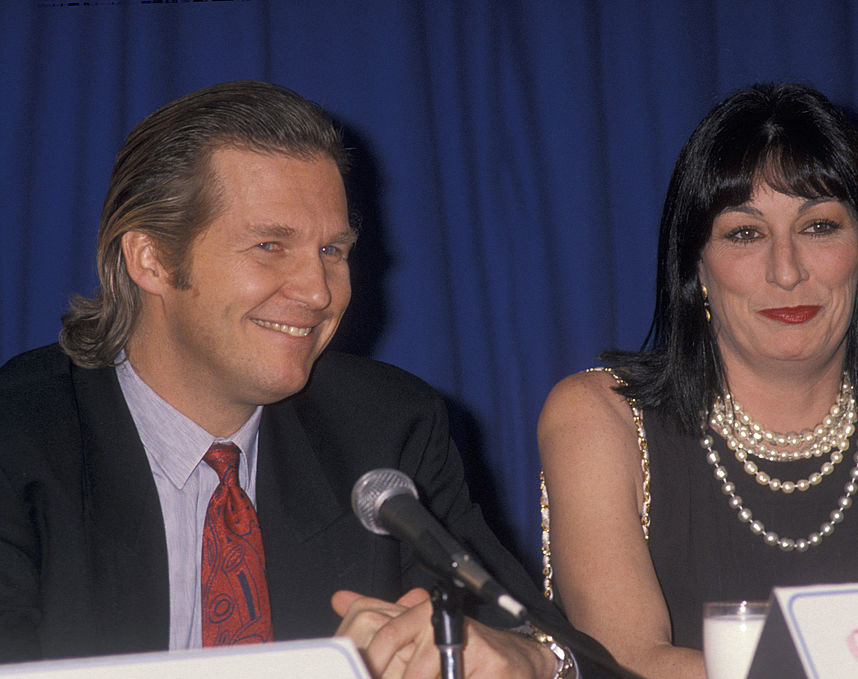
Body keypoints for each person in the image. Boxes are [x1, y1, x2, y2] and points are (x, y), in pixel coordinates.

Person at [0, 80, 572, 678]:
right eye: (271, 245)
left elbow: (540, 635)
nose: (320, 292)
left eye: (332, 251)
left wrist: (534, 659)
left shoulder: (387, 427)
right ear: (152, 259)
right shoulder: (19, 439)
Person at [537, 82, 858, 678]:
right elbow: (627, 663)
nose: (787, 270)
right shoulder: (600, 415)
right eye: (746, 233)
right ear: (696, 268)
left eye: (819, 227)